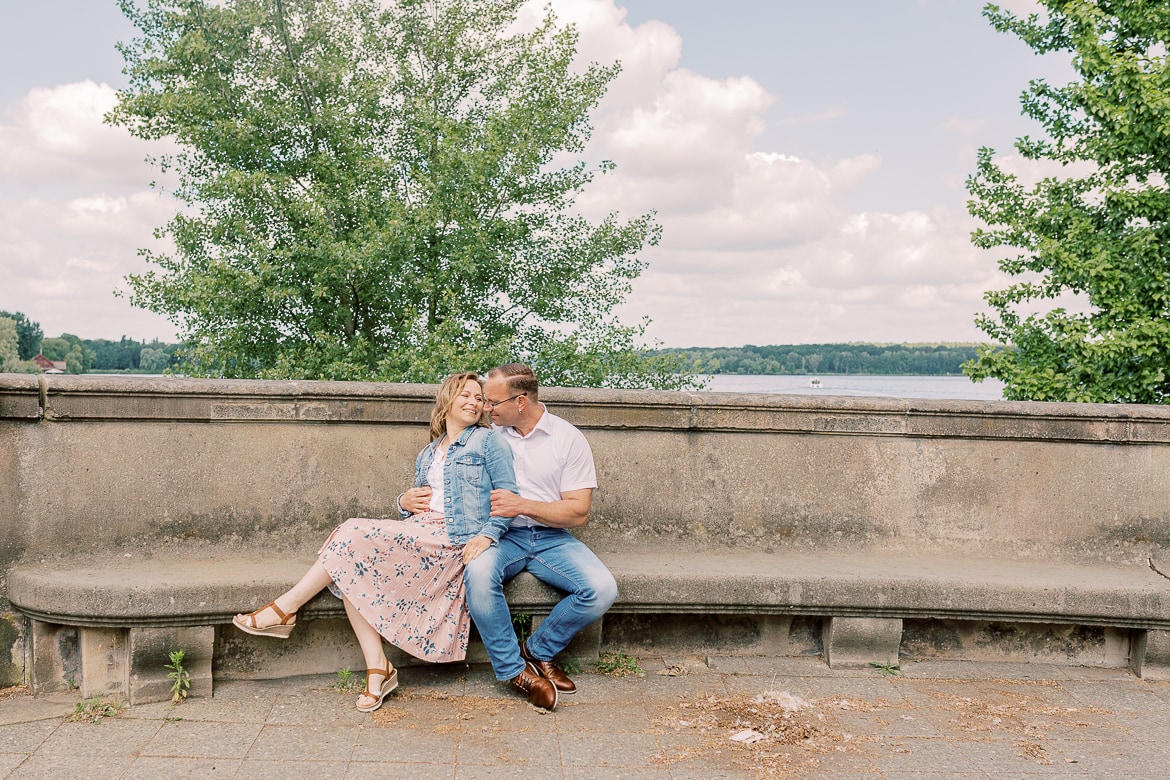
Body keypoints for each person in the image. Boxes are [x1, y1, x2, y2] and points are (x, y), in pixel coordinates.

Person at [231, 372, 537, 712]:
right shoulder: (428, 453)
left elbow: (509, 498)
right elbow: (422, 503)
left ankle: (285, 610)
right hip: (423, 531)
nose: (474, 402)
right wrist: (402, 502)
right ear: (447, 401)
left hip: (453, 540)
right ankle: (377, 668)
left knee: (350, 537)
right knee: (351, 561)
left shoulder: (488, 442)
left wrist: (487, 535)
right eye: (465, 394)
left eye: (479, 398)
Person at [465, 363, 618, 710]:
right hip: (502, 537)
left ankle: (538, 649)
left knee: (602, 589)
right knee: (477, 573)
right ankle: (516, 671)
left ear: (520, 402)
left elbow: (578, 512)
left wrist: (522, 504)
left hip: (552, 538)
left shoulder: (567, 439)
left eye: (493, 402)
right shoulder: (487, 436)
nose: (486, 409)